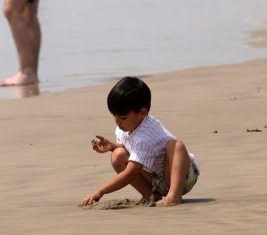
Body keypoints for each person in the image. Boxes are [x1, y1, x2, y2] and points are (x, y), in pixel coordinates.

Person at [80, 77, 200, 207]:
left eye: (123, 117)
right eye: (114, 115)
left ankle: (174, 196)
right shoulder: (124, 128)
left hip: (182, 176)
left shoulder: (145, 136)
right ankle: (150, 195)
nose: (117, 122)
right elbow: (132, 148)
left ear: (142, 113)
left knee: (176, 146)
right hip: (156, 178)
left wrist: (100, 191)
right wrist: (112, 146)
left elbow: (130, 173)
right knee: (117, 155)